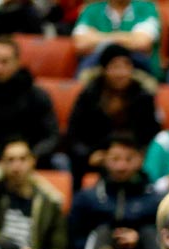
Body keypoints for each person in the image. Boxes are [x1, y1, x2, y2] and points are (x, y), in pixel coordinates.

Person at [0, 36, 69, 180]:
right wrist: (4, 156)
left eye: (4, 62)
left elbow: (52, 135)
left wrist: (31, 156)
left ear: (17, 62)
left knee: (60, 162)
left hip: (32, 155)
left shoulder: (37, 94)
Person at [63, 42, 162, 185]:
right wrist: (89, 155)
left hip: (133, 157)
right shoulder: (90, 95)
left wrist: (136, 156)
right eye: (115, 67)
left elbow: (151, 134)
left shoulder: (143, 97)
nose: (121, 72)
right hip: (96, 156)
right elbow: (74, 134)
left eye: (126, 66)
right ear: (104, 69)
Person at [68, 133, 161, 249]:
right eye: (115, 159)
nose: (121, 166)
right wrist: (112, 237)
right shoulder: (86, 198)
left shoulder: (155, 200)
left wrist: (138, 238)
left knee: (150, 233)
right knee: (101, 231)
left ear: (140, 160)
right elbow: (74, 238)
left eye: (128, 159)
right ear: (104, 159)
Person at [72, 0, 162, 77]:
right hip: (98, 65)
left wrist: (97, 37)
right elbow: (80, 44)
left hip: (136, 65)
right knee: (88, 66)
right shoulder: (91, 10)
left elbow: (142, 43)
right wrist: (127, 38)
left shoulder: (146, 8)